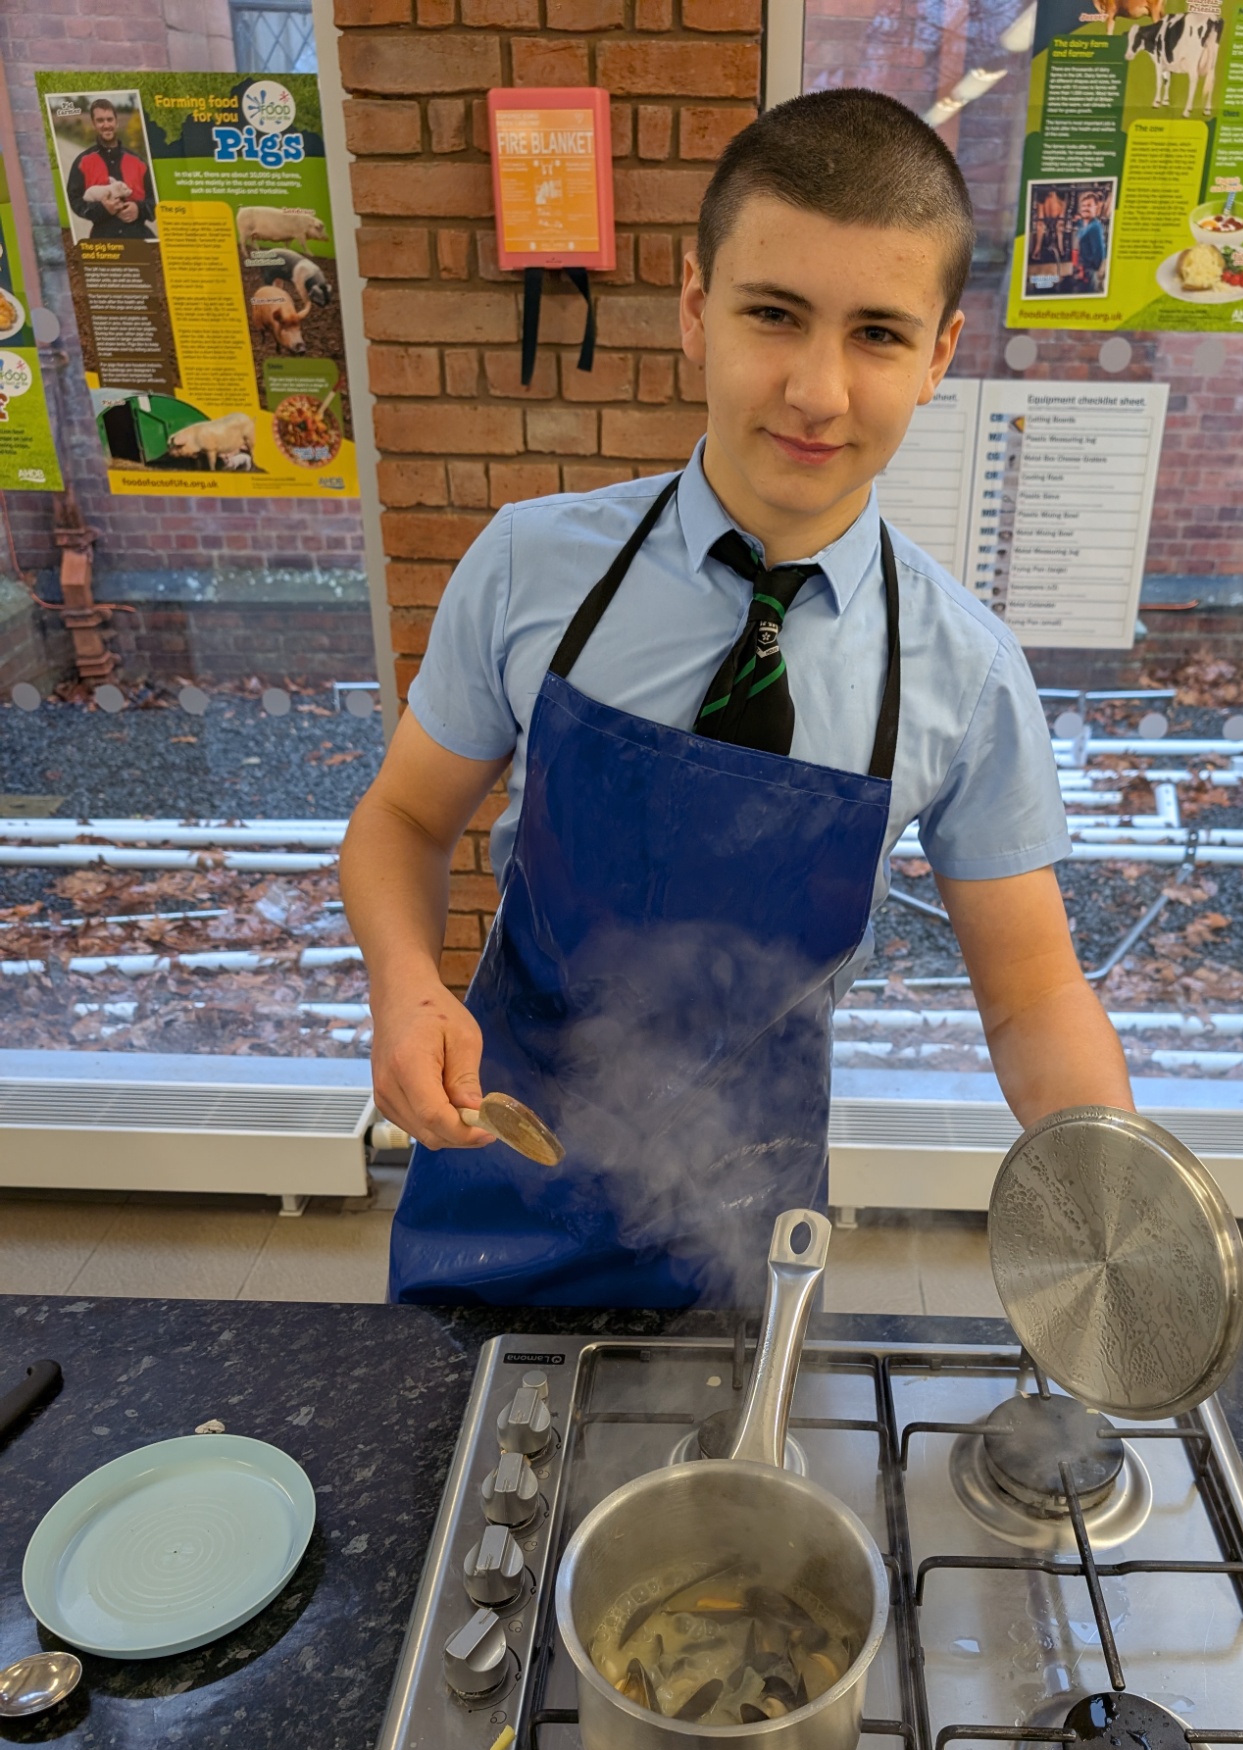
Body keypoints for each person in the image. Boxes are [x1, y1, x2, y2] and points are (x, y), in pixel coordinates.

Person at [343, 87, 1134, 1309]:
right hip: (495, 1168)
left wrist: (1118, 1210)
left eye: (877, 332)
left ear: (940, 356)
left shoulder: (966, 675)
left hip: (746, 1231)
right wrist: (405, 986)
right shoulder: (528, 566)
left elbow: (1033, 992)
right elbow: (402, 821)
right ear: (697, 310)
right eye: (775, 314)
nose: (818, 391)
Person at [65, 99, 156, 242]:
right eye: (100, 120)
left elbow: (156, 199)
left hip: (139, 238)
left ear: (116, 122)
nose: (106, 125)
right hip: (103, 241)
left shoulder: (139, 162)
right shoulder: (83, 162)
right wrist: (102, 209)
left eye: (109, 119)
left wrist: (139, 209)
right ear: (94, 124)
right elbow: (75, 200)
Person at [1072, 191, 1108, 294]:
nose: (1085, 208)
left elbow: (1099, 253)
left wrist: (1090, 269)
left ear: (1096, 208)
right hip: (1081, 271)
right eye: (1083, 205)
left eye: (1089, 205)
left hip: (1089, 273)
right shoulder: (1084, 225)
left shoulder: (1095, 227)